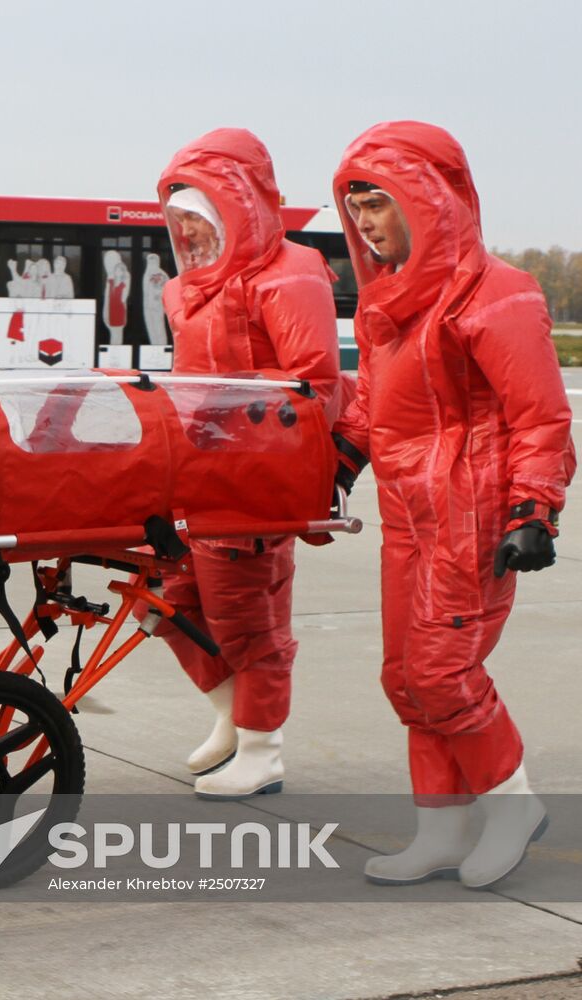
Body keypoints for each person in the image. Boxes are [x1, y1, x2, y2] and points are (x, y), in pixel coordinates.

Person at [331, 121, 575, 889]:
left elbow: (540, 415)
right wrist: (340, 459)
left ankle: (511, 803)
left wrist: (533, 510)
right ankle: (440, 828)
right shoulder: (386, 300)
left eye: (379, 202)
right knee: (405, 676)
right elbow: (374, 403)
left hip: (470, 511)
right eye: (355, 205)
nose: (366, 222)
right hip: (406, 514)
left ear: (428, 200)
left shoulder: (498, 293)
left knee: (441, 671)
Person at [151, 128, 342, 799]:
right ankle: (229, 717)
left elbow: (314, 386)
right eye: (179, 224)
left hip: (252, 481)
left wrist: (244, 437)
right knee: (168, 601)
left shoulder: (290, 278)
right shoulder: (186, 291)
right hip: (192, 474)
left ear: (239, 210)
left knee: (244, 616)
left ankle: (263, 748)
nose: (190, 237)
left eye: (201, 221)